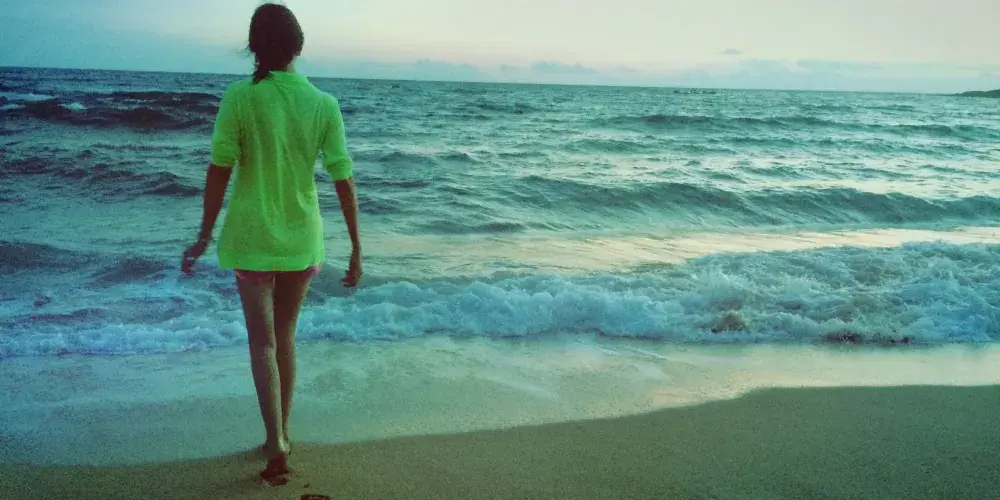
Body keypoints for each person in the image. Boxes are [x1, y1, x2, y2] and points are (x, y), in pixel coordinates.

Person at [180, 2, 362, 482]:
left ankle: (275, 440)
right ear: (298, 46)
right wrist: (357, 248)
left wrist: (203, 235)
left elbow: (220, 167)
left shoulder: (240, 97)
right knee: (285, 338)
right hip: (302, 240)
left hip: (252, 238)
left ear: (254, 47)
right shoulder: (323, 103)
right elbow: (343, 177)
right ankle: (282, 433)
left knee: (262, 343)